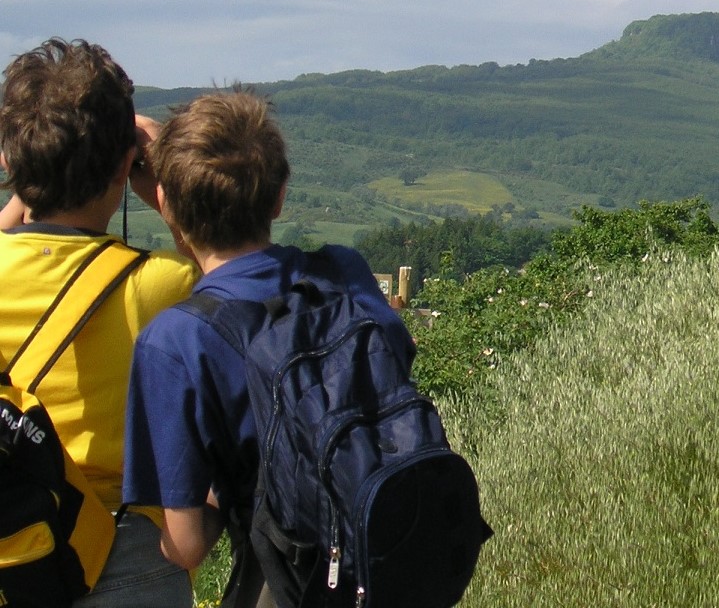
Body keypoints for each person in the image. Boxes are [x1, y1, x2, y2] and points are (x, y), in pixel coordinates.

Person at [122, 88, 416, 608]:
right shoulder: (343, 273)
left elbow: (187, 546)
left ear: (164, 202)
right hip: (391, 562)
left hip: (288, 585)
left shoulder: (174, 341)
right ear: (280, 197)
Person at [0, 37, 198, 607]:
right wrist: (168, 182)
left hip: (11, 546)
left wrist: (27, 178)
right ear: (123, 167)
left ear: (11, 162)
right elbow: (230, 273)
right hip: (121, 552)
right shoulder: (155, 286)